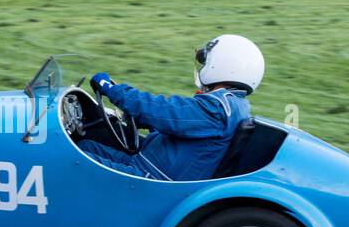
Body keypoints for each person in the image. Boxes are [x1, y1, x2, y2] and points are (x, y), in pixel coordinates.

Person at [78, 35, 264, 181]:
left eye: (207, 62)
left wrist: (113, 90)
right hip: (147, 165)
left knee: (69, 161)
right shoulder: (234, 105)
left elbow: (165, 111)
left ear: (223, 65)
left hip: (150, 178)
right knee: (84, 146)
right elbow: (185, 130)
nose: (203, 66)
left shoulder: (219, 108)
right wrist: (147, 122)